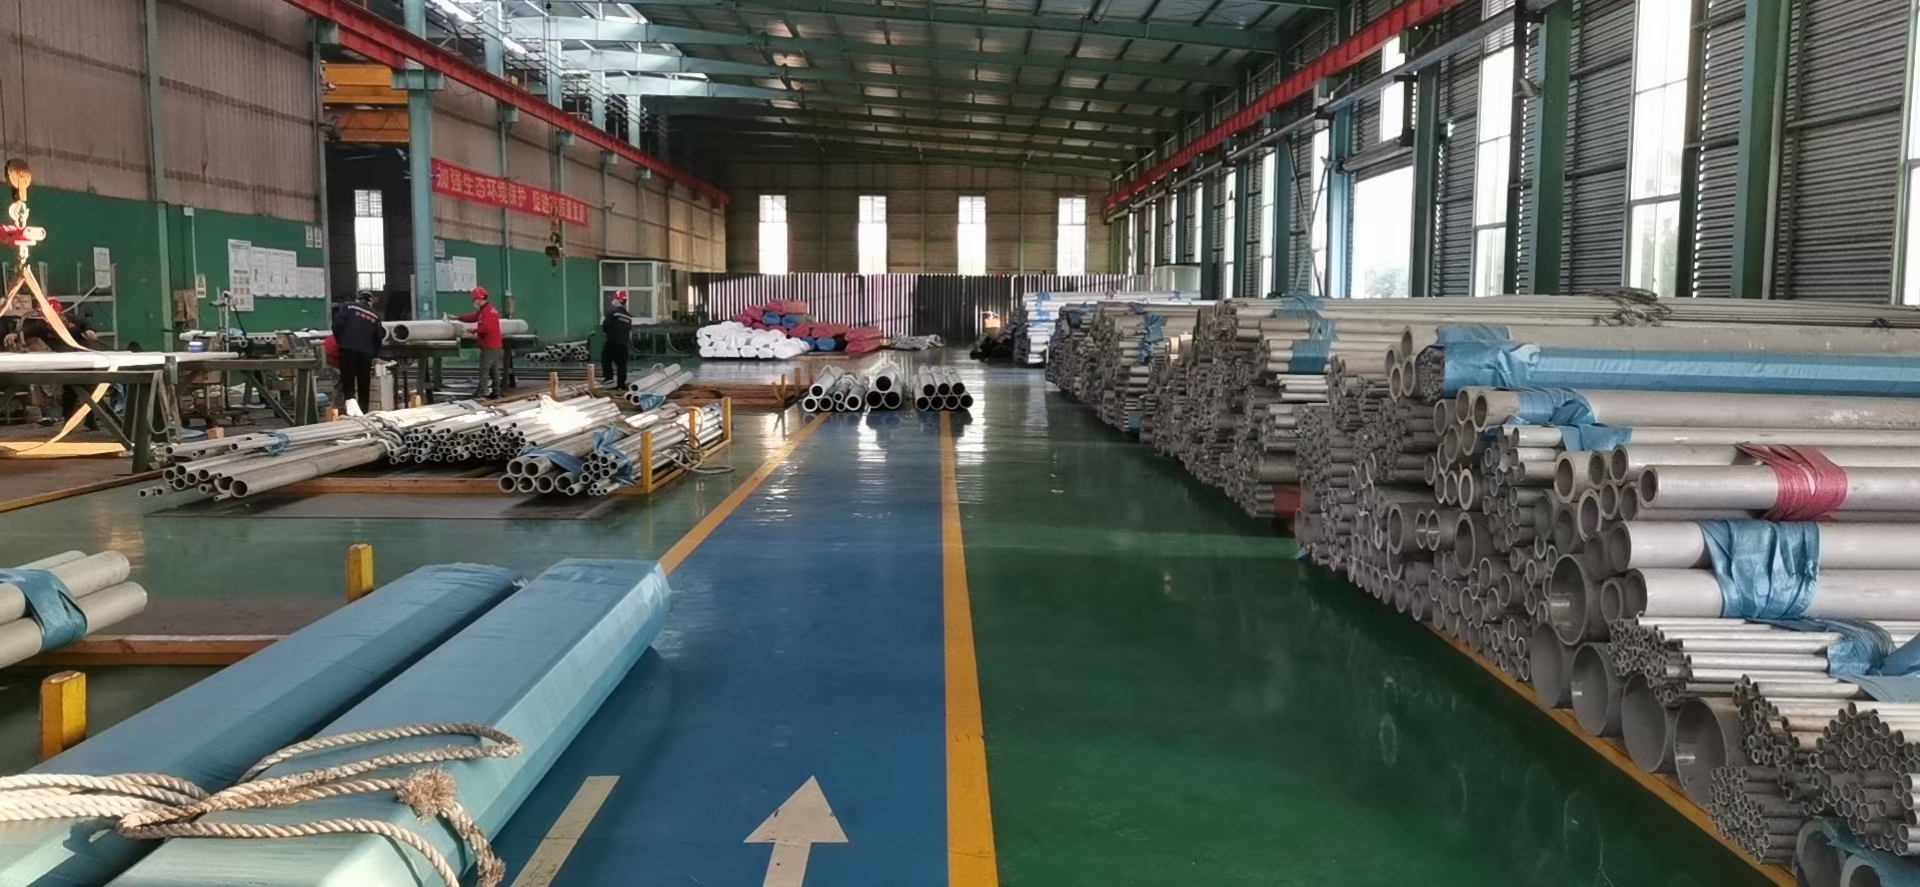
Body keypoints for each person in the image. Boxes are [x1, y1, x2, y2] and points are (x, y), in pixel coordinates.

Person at [332, 290, 382, 411]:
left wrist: (341, 342)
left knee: (348, 382)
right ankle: (363, 412)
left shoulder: (348, 306)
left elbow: (337, 325)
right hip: (365, 354)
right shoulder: (375, 316)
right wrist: (373, 354)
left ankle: (350, 411)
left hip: (348, 350)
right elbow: (378, 339)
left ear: (358, 299)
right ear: (370, 302)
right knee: (364, 383)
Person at [454, 287, 504, 398]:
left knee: (484, 369)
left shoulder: (487, 311)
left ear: (479, 299)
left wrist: (475, 330)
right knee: (494, 369)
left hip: (490, 345)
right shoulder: (486, 310)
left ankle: (482, 391)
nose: (474, 302)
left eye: (474, 300)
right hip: (494, 344)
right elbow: (474, 317)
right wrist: (458, 317)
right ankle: (496, 391)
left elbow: (487, 328)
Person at [600, 290, 634, 390]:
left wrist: (609, 333)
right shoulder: (629, 316)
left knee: (605, 359)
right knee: (621, 365)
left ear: (619, 300)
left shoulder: (613, 312)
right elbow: (629, 328)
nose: (612, 301)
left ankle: (609, 377)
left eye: (614, 299)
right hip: (623, 343)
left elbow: (605, 326)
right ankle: (621, 385)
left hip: (612, 342)